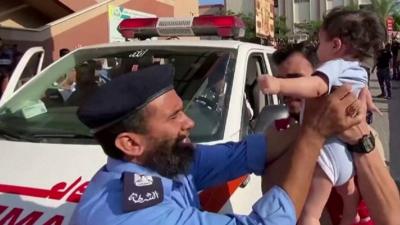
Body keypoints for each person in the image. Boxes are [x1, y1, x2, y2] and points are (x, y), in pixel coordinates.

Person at [70, 64, 367, 225]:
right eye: (174, 116)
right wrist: (314, 135)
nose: (189, 123)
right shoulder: (133, 215)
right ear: (130, 143)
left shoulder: (159, 161)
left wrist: (317, 122)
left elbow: (247, 152)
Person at [259, 8, 386, 225]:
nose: (288, 90)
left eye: (296, 80)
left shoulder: (366, 139)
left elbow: (386, 211)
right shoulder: (276, 130)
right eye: (282, 79)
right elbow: (275, 199)